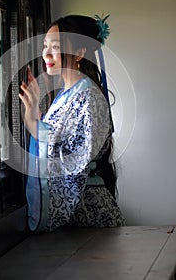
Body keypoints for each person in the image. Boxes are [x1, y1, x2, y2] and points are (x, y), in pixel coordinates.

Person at [19, 14, 125, 232]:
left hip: (88, 211)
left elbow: (74, 157)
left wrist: (32, 121)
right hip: (81, 211)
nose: (46, 53)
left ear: (79, 53)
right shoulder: (69, 95)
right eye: (45, 45)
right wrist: (36, 116)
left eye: (55, 46)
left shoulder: (87, 98)